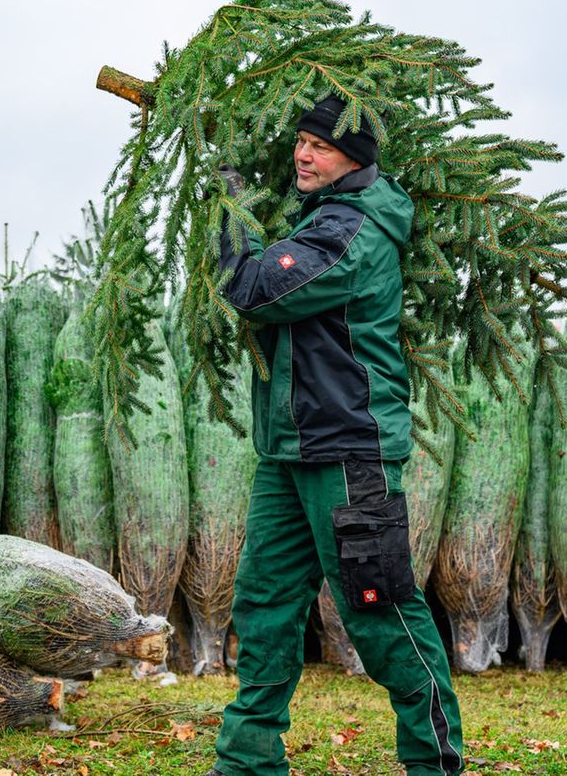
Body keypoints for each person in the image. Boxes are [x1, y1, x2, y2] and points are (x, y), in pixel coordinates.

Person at [205, 95, 465, 776]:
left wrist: (230, 201)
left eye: (319, 146)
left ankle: (433, 764)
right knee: (264, 604)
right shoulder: (320, 216)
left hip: (348, 452)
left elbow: (254, 287)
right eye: (300, 140)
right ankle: (247, 764)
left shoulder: (351, 232)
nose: (302, 154)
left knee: (379, 609)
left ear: (354, 158)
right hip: (289, 452)